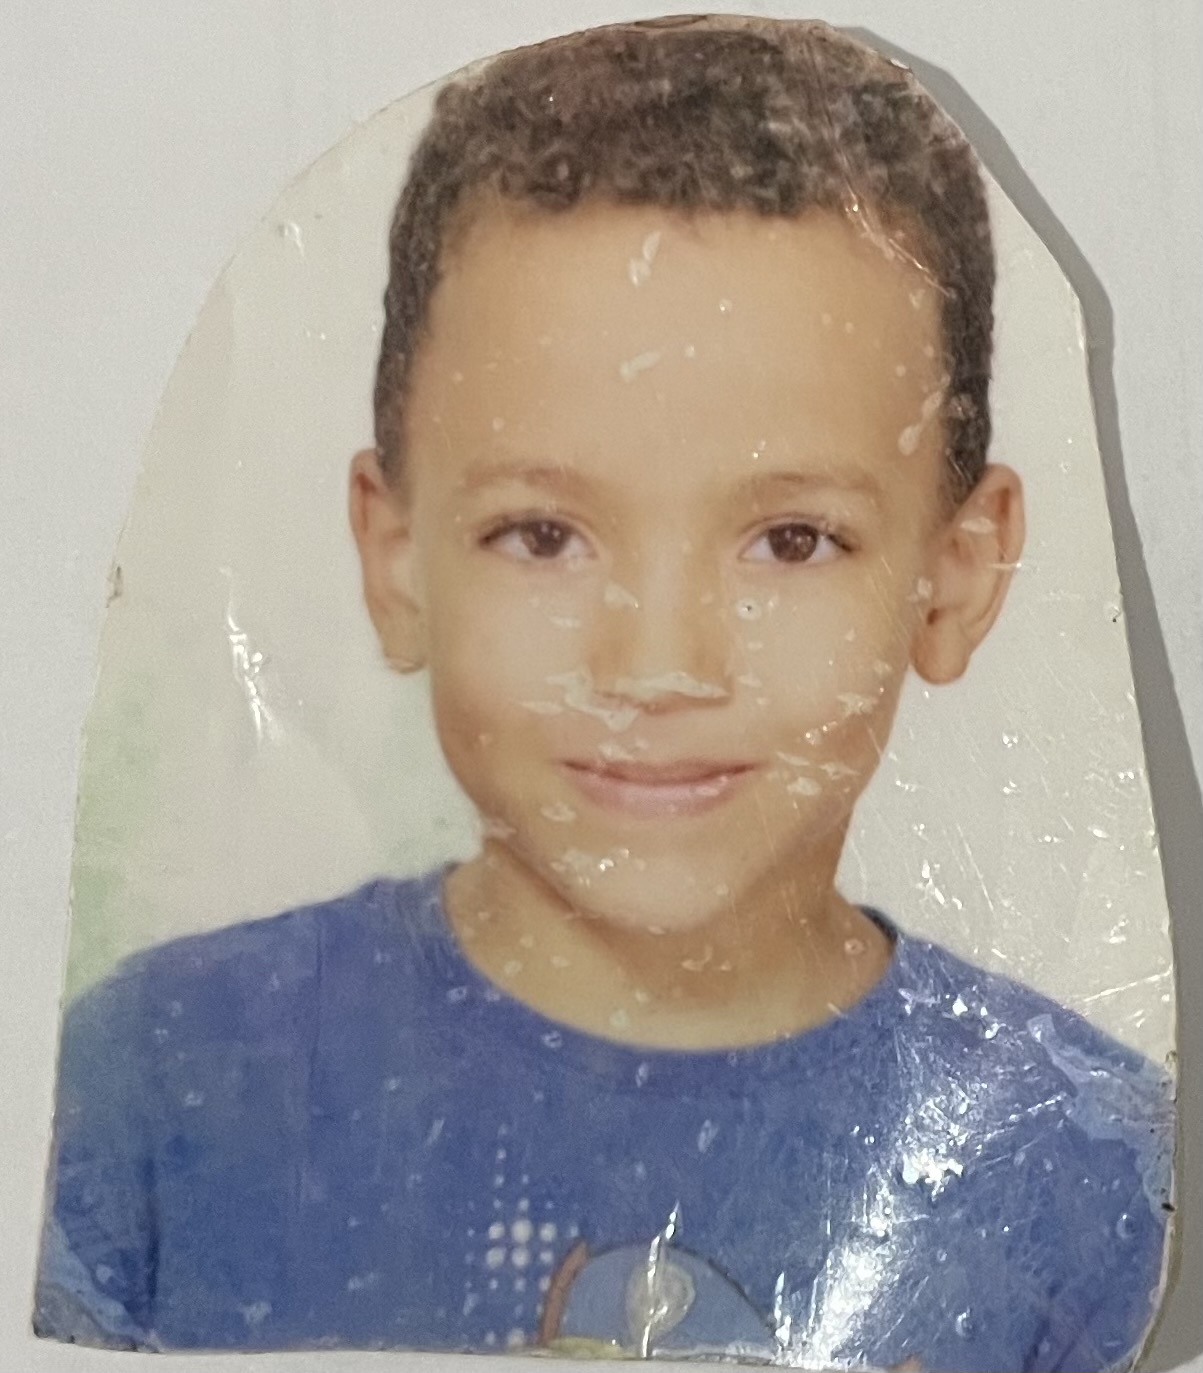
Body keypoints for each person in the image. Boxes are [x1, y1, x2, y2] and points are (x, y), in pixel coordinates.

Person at [35, 17, 1173, 1371]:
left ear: (958, 573)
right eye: (542, 535)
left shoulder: (1083, 1170)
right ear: (393, 557)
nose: (657, 666)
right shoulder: (158, 1092)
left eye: (790, 541)